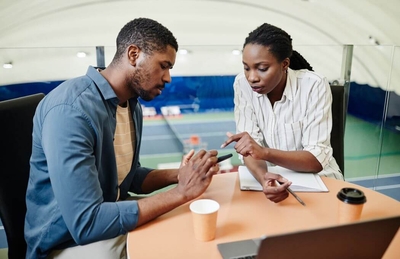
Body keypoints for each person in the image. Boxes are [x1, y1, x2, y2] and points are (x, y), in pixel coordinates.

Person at [24, 18, 220, 259]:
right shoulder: (70, 111)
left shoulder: (131, 105)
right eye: (164, 65)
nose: (168, 77)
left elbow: (129, 177)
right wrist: (180, 192)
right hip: (66, 243)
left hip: (108, 222)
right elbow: (86, 223)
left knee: (185, 231)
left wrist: (181, 175)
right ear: (134, 54)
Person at [221, 23, 344, 202]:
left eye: (262, 68)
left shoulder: (314, 85)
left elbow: (316, 160)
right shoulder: (242, 84)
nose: (252, 78)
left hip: (320, 182)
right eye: (246, 67)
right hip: (271, 180)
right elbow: (249, 151)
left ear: (284, 64)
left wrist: (264, 152)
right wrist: (264, 179)